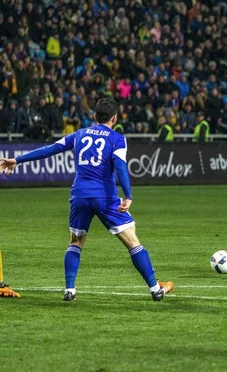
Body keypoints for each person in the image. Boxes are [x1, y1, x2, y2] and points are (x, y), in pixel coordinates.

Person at [0, 97, 174, 302]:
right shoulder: (117, 138)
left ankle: (70, 290)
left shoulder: (79, 134)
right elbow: (120, 166)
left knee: (75, 242)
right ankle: (155, 288)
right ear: (115, 118)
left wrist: (18, 160)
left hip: (79, 195)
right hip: (105, 197)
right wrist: (128, 195)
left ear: (94, 116)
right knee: (133, 242)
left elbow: (50, 149)